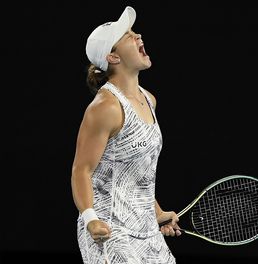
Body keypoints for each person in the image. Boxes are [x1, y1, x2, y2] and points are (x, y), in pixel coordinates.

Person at [71, 6, 181, 264]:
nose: (138, 35)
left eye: (134, 31)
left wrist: (157, 212)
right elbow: (81, 170)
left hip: (146, 230)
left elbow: (137, 172)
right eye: (128, 35)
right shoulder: (106, 108)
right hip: (109, 230)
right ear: (113, 57)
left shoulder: (148, 99)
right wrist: (90, 219)